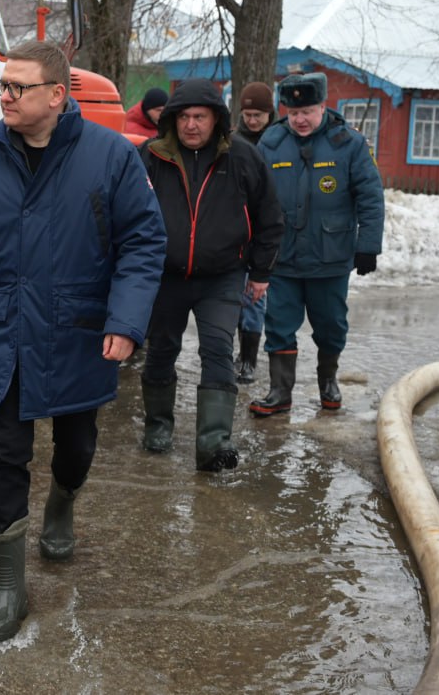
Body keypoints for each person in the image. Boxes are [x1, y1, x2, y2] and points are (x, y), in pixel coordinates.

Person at [0, 41, 166, 642]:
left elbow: (142, 241)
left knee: (76, 445)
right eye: (1, 87)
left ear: (56, 96)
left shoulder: (110, 156)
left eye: (17, 88)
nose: (3, 97)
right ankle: (7, 586)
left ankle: (61, 505)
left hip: (80, 331)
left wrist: (124, 321)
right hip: (8, 332)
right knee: (5, 453)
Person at [138, 79, 283, 470]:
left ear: (216, 119)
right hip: (165, 274)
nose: (190, 125)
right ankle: (158, 427)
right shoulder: (149, 156)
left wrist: (261, 272)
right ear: (171, 120)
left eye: (199, 117)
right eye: (183, 117)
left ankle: (214, 442)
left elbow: (269, 216)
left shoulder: (242, 157)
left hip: (222, 274)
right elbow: (123, 214)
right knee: (161, 349)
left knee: (217, 348)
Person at [251, 72, 384, 416]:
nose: (300, 119)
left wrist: (367, 245)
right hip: (283, 256)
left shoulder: (349, 143)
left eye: (308, 111)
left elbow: (370, 196)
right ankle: (280, 391)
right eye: (294, 112)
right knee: (278, 324)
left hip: (331, 255)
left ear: (324, 106)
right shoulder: (271, 142)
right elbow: (253, 199)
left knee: (331, 325)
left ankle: (328, 380)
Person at [232, 81, 278, 384]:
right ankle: (238, 353)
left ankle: (249, 359)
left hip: (264, 228)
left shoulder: (277, 142)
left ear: (269, 114)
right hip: (236, 230)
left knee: (254, 300)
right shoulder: (232, 142)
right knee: (235, 299)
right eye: (247, 114)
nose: (252, 121)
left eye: (258, 115)